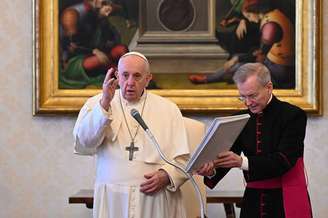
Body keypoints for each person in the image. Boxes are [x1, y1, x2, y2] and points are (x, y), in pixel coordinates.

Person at [73, 51, 191, 218]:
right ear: (116, 75)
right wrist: (105, 103)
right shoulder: (97, 103)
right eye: (125, 75)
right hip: (112, 198)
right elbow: (85, 143)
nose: (130, 82)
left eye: (137, 76)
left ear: (148, 79)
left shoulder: (168, 109)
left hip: (155, 198)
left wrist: (167, 176)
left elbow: (184, 160)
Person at [196, 63, 312, 217]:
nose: (248, 102)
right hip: (253, 202)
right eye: (242, 96)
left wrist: (241, 162)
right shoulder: (238, 119)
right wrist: (211, 171)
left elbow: (284, 160)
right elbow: (227, 157)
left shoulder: (293, 115)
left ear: (269, 87)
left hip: (285, 201)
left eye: (252, 95)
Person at [189, 0, 295, 89]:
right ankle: (209, 78)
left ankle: (207, 79)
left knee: (240, 66)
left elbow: (259, 55)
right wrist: (238, 20)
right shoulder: (272, 15)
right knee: (239, 63)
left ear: (256, 11)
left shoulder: (269, 27)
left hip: (279, 72)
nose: (248, 19)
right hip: (276, 65)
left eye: (248, 15)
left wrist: (237, 59)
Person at [59, 0, 128, 89]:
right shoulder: (71, 14)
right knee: (100, 61)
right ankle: (122, 76)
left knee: (121, 49)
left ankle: (125, 73)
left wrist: (102, 18)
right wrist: (94, 51)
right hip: (75, 60)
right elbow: (72, 46)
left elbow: (111, 40)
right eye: (103, 2)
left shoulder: (98, 13)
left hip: (100, 52)